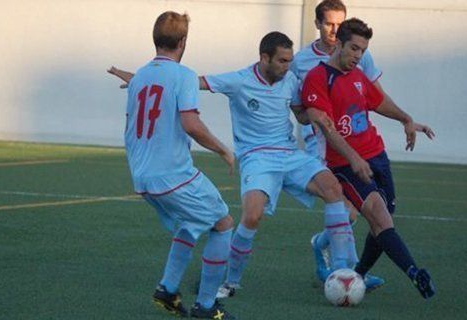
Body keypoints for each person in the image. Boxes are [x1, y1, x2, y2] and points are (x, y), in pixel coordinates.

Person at [110, 31, 361, 300]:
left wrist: (316, 115)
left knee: (333, 189)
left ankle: (345, 270)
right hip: (256, 157)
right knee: (251, 216)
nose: (288, 67)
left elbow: (300, 115)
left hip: (289, 153)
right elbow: (191, 82)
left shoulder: (290, 80)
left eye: (290, 61)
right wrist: (140, 79)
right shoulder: (238, 80)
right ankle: (230, 282)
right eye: (282, 61)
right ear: (264, 57)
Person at [300, 17, 436, 299]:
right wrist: (352, 158)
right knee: (380, 218)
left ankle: (357, 275)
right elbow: (325, 124)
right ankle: (414, 273)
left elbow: (378, 101)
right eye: (353, 48)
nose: (357, 55)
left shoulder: (358, 75)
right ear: (338, 44)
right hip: (344, 165)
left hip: (377, 156)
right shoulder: (317, 77)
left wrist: (406, 119)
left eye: (362, 50)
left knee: (382, 223)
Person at [122, 11, 237, 319]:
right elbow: (191, 123)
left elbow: (132, 126)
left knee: (191, 223)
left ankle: (168, 288)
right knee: (223, 224)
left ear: (155, 39)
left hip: (143, 177)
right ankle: (207, 305)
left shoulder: (139, 77)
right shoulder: (184, 75)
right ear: (183, 41)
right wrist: (223, 149)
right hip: (172, 175)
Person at [291, 0, 387, 289]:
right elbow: (299, 111)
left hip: (355, 142)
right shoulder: (301, 62)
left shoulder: (358, 54)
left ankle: (323, 247)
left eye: (339, 24)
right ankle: (349, 273)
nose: (335, 30)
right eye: (329, 23)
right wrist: (319, 114)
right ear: (318, 24)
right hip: (320, 145)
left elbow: (375, 95)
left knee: (353, 210)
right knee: (344, 205)